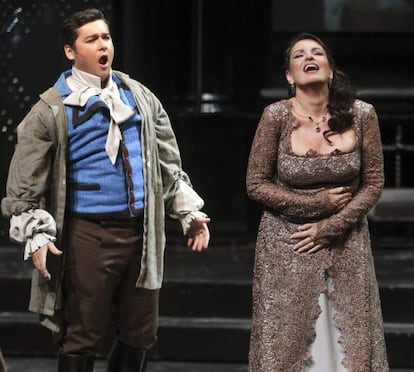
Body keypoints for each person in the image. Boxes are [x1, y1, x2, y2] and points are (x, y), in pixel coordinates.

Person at [1, 8, 210, 372]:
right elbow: (25, 185)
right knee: (80, 332)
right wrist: (34, 235)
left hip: (140, 235)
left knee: (140, 331)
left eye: (106, 37)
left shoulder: (139, 98)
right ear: (71, 51)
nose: (103, 45)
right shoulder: (51, 109)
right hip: (87, 235)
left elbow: (167, 165)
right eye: (92, 39)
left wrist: (188, 213)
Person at [246, 32, 388, 371]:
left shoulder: (362, 115)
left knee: (350, 340)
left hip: (346, 240)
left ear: (330, 68)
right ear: (289, 76)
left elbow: (373, 183)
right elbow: (255, 184)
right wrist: (319, 203)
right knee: (287, 342)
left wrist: (330, 226)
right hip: (288, 243)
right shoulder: (276, 116)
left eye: (317, 53)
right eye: (299, 55)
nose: (310, 57)